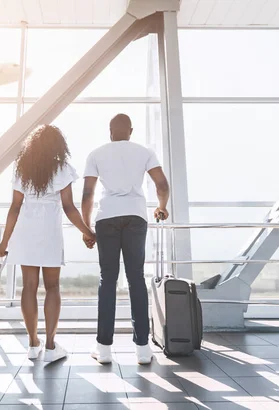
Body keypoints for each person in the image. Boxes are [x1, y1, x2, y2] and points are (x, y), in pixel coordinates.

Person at [0, 124, 96, 363]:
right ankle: (50, 346)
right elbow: (69, 208)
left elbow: (15, 208)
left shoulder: (22, 169)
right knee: (52, 288)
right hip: (49, 233)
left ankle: (32, 344)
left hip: (25, 233)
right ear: (58, 145)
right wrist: (87, 232)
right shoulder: (62, 169)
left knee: (28, 287)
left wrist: (4, 242)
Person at [82, 113, 170, 365]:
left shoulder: (96, 153)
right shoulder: (144, 152)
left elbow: (88, 193)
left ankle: (104, 348)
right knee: (136, 279)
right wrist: (161, 206)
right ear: (130, 131)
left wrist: (87, 228)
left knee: (107, 279)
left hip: (107, 216)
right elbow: (161, 185)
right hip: (135, 216)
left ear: (110, 131)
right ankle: (142, 349)